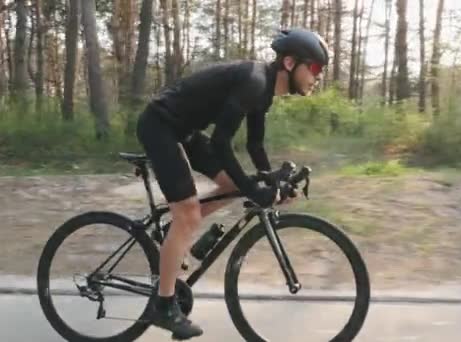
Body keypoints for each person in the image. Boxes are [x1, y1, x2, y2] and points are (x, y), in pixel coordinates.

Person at [135, 28, 329, 340]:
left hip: (185, 130)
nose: (318, 77)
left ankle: (175, 236)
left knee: (230, 186)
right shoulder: (254, 82)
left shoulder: (265, 90)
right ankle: (164, 305)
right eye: (316, 68)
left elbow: (255, 146)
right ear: (291, 64)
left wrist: (271, 180)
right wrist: (255, 190)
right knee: (190, 212)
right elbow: (223, 143)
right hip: (160, 125)